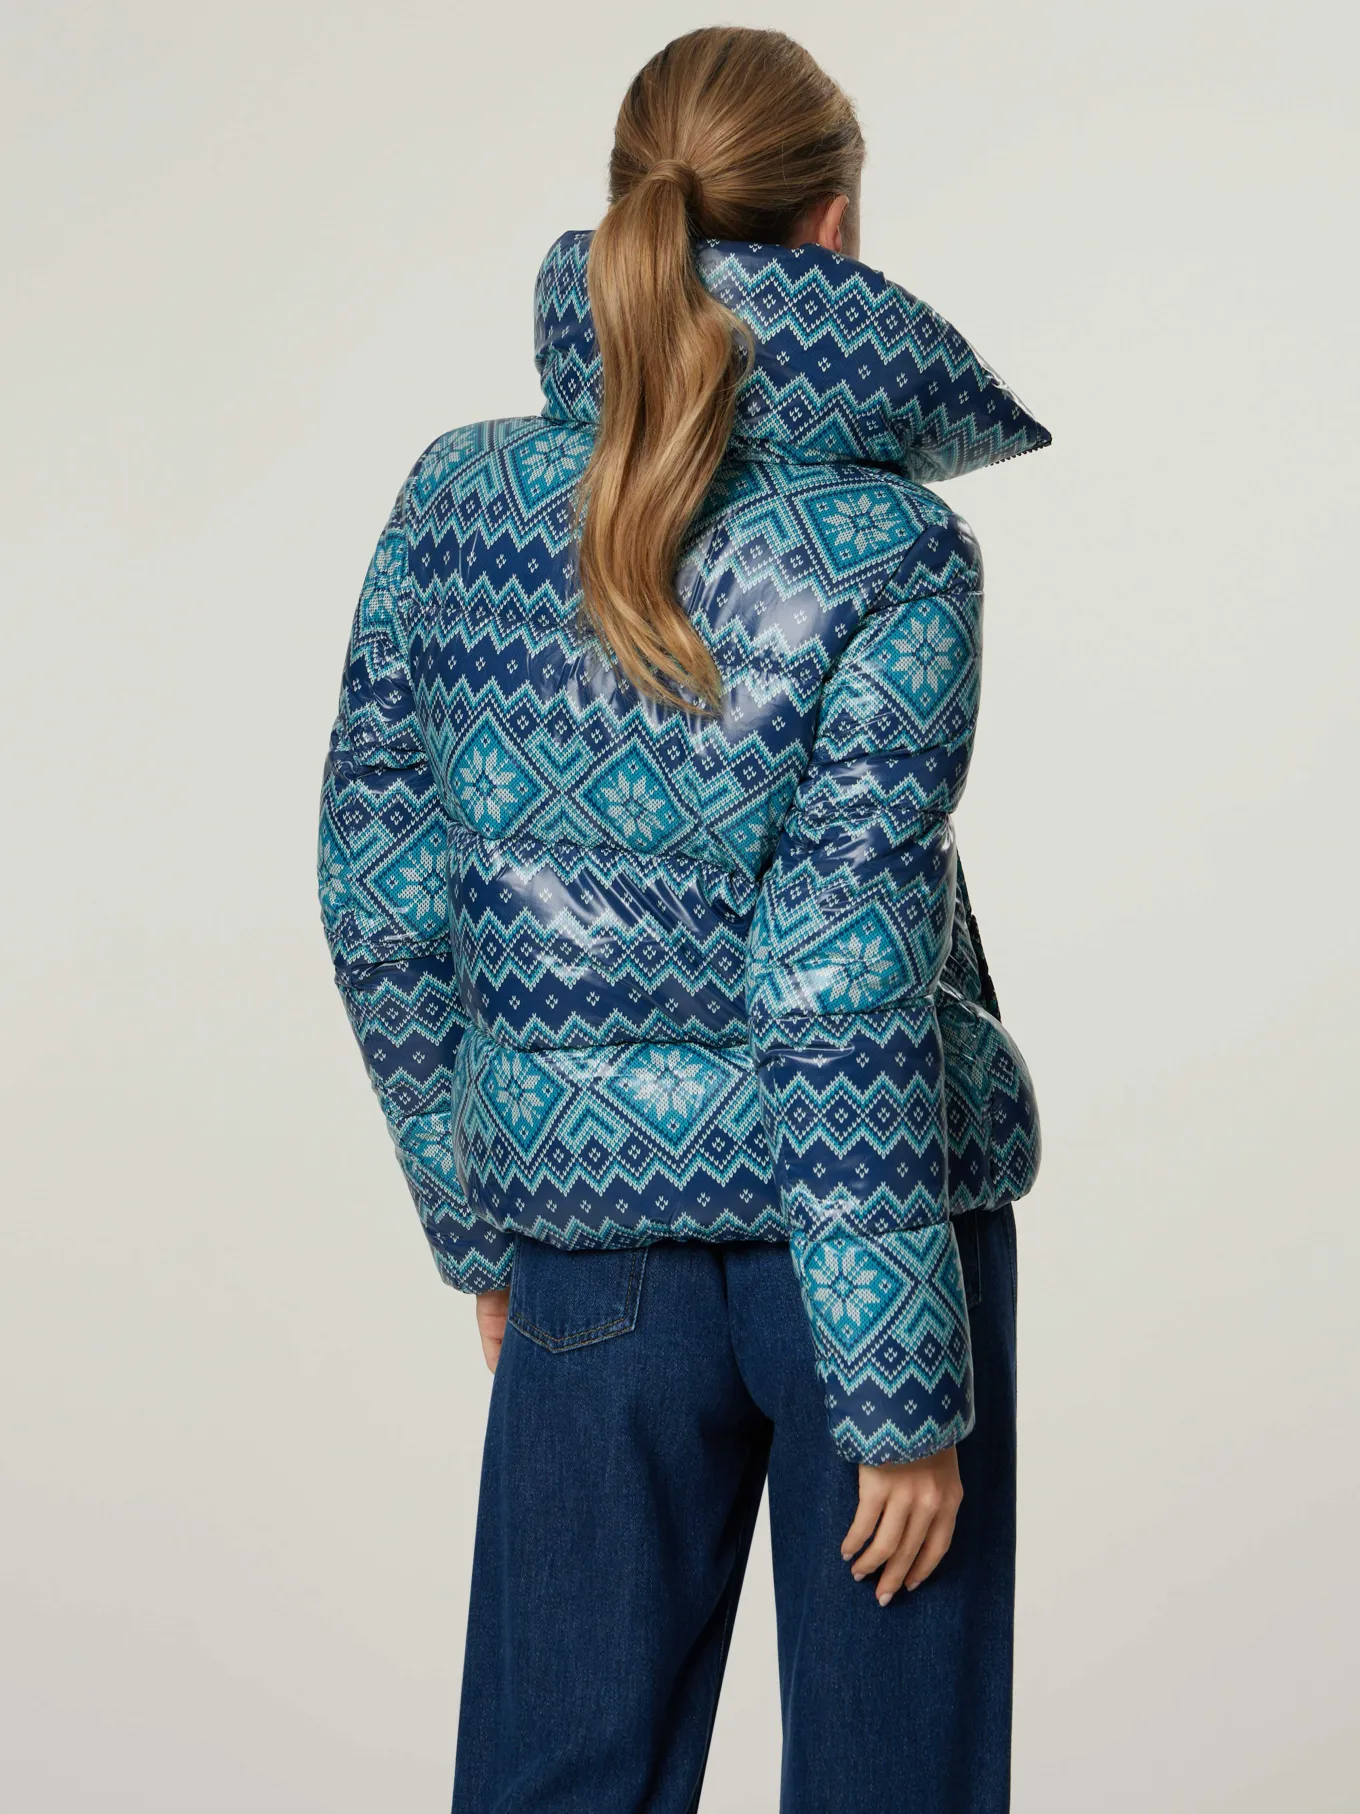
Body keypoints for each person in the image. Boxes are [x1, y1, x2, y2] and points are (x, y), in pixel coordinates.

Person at [318, 25, 1047, 1812]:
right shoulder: (891, 552)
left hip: (588, 1253)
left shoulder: (453, 507)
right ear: (835, 222)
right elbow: (841, 964)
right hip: (868, 1253)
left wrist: (483, 1220)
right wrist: (899, 1388)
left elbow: (377, 890)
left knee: (554, 1784)